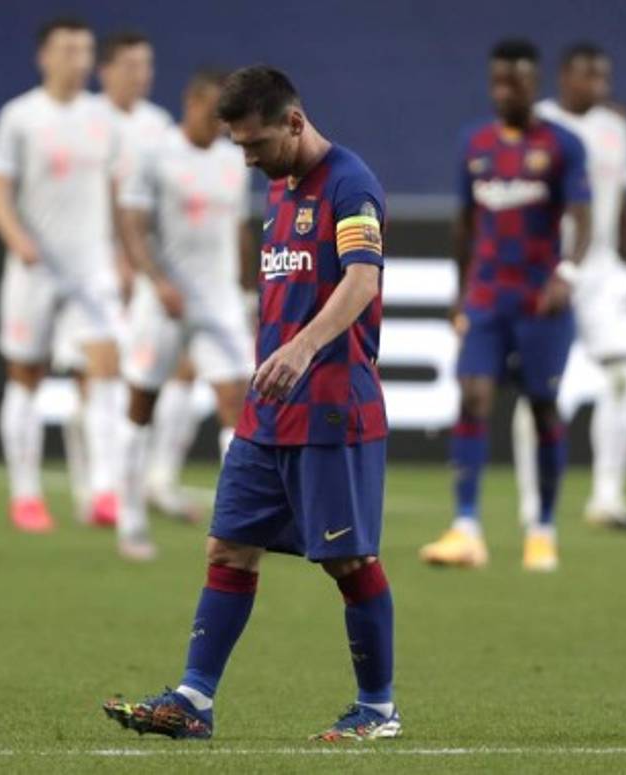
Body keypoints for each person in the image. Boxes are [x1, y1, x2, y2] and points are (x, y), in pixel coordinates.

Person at [103, 65, 400, 742]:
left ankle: (378, 708)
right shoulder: (277, 186)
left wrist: (302, 348)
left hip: (330, 406)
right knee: (229, 546)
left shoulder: (350, 184)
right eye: (238, 146)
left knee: (347, 561)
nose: (247, 157)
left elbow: (360, 281)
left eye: (255, 143)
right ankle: (193, 699)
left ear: (294, 122)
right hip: (268, 413)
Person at [418, 39, 591, 572]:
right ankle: (466, 526)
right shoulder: (475, 143)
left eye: (514, 82)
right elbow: (465, 224)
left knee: (541, 408)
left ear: (533, 84)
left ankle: (542, 529)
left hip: (541, 300)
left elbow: (584, 218)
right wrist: (459, 291)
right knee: (472, 397)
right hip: (489, 296)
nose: (504, 91)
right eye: (497, 81)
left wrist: (568, 273)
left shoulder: (562, 145)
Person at [0, 18, 125, 532]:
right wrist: (16, 238)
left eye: (85, 50)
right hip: (37, 270)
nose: (79, 61)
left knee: (104, 370)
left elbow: (115, 193)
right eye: (68, 50)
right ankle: (25, 495)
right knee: (27, 376)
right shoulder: (20, 117)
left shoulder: (103, 119)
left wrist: (124, 256)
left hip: (92, 269)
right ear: (45, 56)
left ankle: (104, 490)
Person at [113, 69, 252, 561]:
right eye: (214, 110)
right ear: (192, 102)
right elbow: (131, 224)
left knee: (236, 402)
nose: (220, 122)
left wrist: (249, 288)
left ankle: (238, 524)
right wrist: (156, 279)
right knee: (141, 403)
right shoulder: (155, 154)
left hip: (219, 301)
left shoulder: (234, 160)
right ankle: (129, 517)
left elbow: (236, 228)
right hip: (165, 301)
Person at [512, 41, 626, 532]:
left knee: (622, 376)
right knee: (539, 389)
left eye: (603, 78)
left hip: (606, 269)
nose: (599, 88)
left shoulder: (617, 128)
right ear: (565, 77)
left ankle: (608, 496)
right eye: (589, 77)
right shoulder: (538, 125)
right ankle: (533, 505)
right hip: (550, 269)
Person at [52, 29, 175, 524]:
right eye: (128, 65)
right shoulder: (86, 120)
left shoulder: (160, 127)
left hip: (143, 266)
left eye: (145, 65)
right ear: (106, 71)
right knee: (94, 370)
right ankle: (97, 487)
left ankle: (127, 481)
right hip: (88, 264)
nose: (139, 74)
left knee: (135, 375)